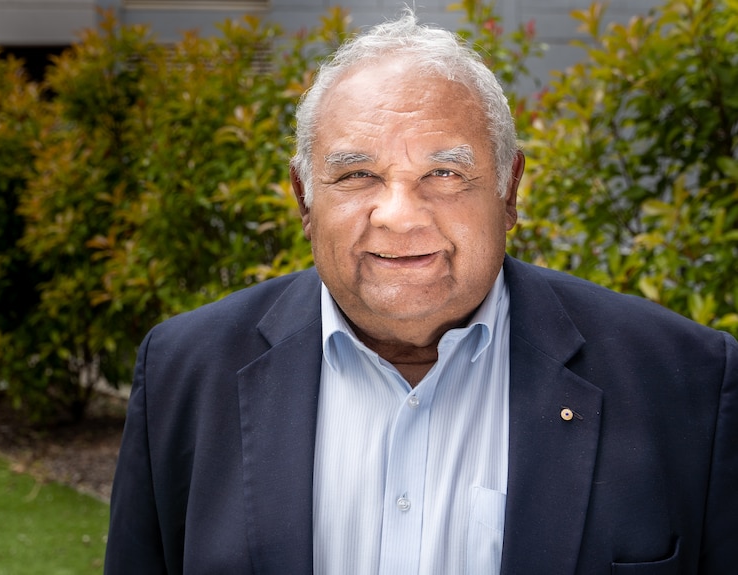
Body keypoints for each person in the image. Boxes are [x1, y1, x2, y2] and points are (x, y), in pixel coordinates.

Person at [104, 10, 737, 575]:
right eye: (357, 175)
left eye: (444, 172)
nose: (399, 216)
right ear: (304, 197)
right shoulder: (184, 372)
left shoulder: (688, 382)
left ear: (509, 190)